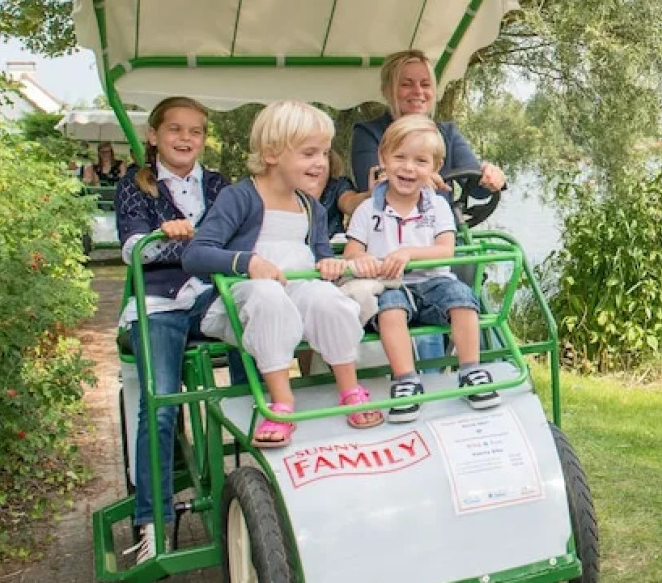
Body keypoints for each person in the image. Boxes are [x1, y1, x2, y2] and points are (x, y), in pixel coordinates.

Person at [184, 101, 385, 449]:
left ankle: (350, 388)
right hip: (248, 300)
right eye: (309, 153)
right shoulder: (240, 197)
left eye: (323, 152)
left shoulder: (311, 207)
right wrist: (246, 262)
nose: (321, 163)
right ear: (273, 153)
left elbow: (321, 258)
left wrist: (334, 266)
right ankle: (280, 402)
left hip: (298, 289)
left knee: (328, 299)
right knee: (268, 296)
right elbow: (196, 254)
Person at [113, 97, 229, 565]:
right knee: (159, 404)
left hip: (207, 296)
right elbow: (134, 251)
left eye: (195, 131)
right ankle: (153, 522)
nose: (185, 139)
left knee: (257, 343)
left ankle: (261, 483)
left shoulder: (218, 185)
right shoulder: (135, 185)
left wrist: (192, 245)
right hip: (157, 303)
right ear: (155, 136)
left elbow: (235, 241)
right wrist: (171, 238)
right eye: (176, 130)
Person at [344, 115, 500, 421]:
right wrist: (359, 260)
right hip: (391, 284)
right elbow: (352, 252)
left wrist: (408, 254)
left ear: (434, 168)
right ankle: (406, 379)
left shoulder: (437, 206)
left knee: (461, 296)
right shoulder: (367, 209)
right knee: (389, 309)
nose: (408, 167)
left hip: (433, 283)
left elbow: (445, 251)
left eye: (419, 161)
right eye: (399, 157)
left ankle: (471, 370)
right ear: (383, 159)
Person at [342, 50, 505, 218]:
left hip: (443, 233)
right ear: (387, 91)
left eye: (425, 84)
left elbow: (477, 190)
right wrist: (418, 180)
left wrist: (490, 177)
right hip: (390, 233)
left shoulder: (447, 133)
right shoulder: (368, 133)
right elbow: (376, 187)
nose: (418, 91)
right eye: (406, 84)